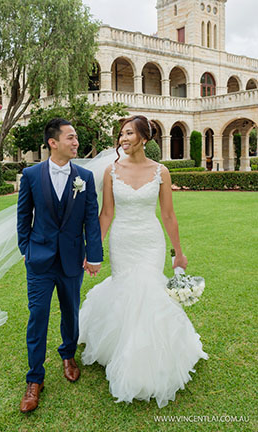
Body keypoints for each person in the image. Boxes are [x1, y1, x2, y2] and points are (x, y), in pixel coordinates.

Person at [78, 115, 208, 408]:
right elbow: (106, 213)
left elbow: (168, 215)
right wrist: (93, 250)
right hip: (122, 240)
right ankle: (123, 350)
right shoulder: (111, 170)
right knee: (128, 290)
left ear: (144, 138)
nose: (123, 139)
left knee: (149, 291)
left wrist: (178, 253)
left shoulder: (161, 171)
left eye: (128, 134)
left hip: (151, 241)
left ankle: (148, 358)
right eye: (121, 134)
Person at [17, 118, 103, 413]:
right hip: (39, 261)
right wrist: (25, 249)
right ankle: (34, 379)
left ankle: (68, 356)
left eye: (76, 137)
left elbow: (91, 217)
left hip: (71, 259)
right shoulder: (30, 174)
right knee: (37, 317)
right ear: (53, 142)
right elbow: (23, 216)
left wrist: (94, 254)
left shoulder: (85, 177)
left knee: (71, 312)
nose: (75, 141)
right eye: (70, 137)